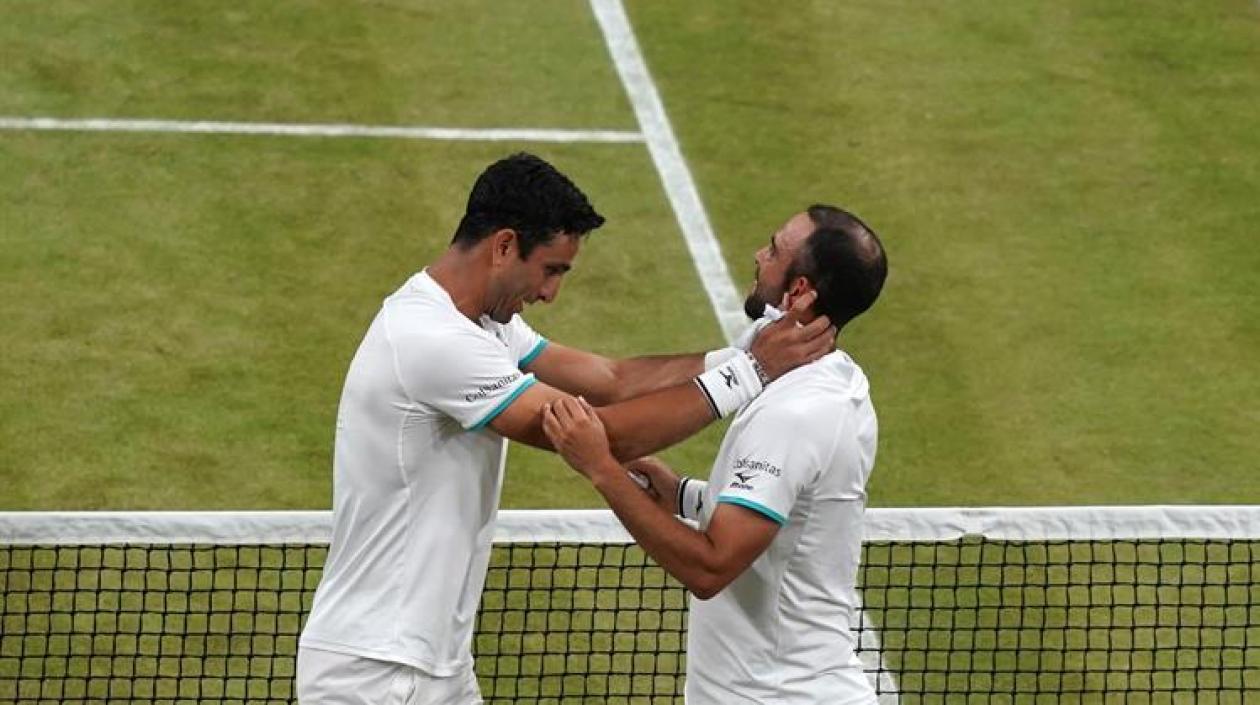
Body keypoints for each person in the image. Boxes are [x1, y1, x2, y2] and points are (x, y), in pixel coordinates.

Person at [295, 153, 837, 705]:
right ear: (505, 246)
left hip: (431, 663)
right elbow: (601, 435)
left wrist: (744, 351)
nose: (550, 294)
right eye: (551, 270)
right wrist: (753, 373)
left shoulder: (481, 324)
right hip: (377, 671)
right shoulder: (432, 340)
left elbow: (611, 379)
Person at [543, 204, 888, 705]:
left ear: (799, 292)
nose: (758, 255)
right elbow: (788, 519)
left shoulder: (795, 414)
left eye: (773, 250)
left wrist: (601, 469)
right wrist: (681, 495)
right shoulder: (829, 380)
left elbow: (711, 567)